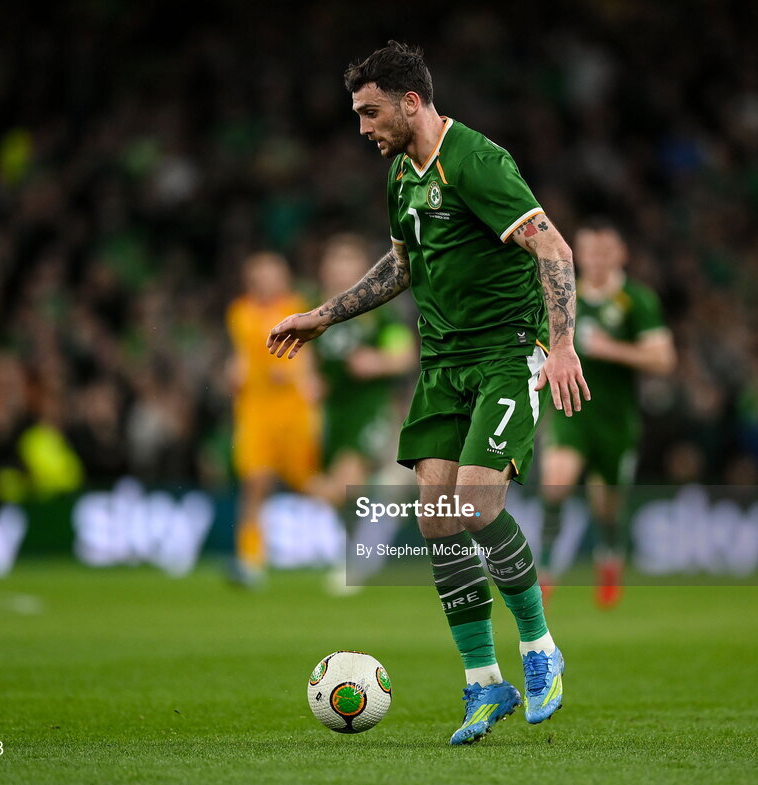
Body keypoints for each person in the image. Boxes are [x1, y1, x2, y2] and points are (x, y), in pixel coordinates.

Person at [267, 41, 589, 745]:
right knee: (438, 518)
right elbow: (401, 265)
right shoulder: (401, 179)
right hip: (441, 364)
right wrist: (324, 314)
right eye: (357, 114)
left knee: (475, 501)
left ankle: (540, 651)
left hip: (505, 353)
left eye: (370, 111)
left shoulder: (476, 160)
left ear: (411, 101)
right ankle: (484, 683)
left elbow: (554, 249)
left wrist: (561, 344)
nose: (362, 127)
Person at [539, 219, 675, 608]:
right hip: (570, 412)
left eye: (605, 252)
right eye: (590, 251)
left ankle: (609, 561)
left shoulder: (636, 300)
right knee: (556, 483)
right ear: (578, 254)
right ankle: (545, 574)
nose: (597, 259)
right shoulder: (564, 293)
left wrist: (609, 349)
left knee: (606, 505)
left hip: (615, 420)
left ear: (620, 255)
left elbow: (664, 359)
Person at [309, 233, 416, 595]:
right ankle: (360, 545)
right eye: (334, 260)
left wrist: (378, 362)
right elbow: (310, 363)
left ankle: (353, 563)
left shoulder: (379, 310)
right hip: (333, 413)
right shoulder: (316, 310)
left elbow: (403, 354)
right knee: (331, 492)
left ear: (362, 269)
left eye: (347, 260)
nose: (340, 268)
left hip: (370, 408)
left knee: (345, 480)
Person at [226, 251, 321, 585]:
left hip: (293, 412)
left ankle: (359, 541)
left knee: (311, 485)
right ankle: (250, 560)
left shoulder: (299, 306)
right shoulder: (239, 312)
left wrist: (302, 380)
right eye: (261, 274)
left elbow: (306, 358)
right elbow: (241, 357)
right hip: (255, 411)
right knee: (255, 482)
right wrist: (235, 375)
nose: (267, 280)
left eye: (273, 274)